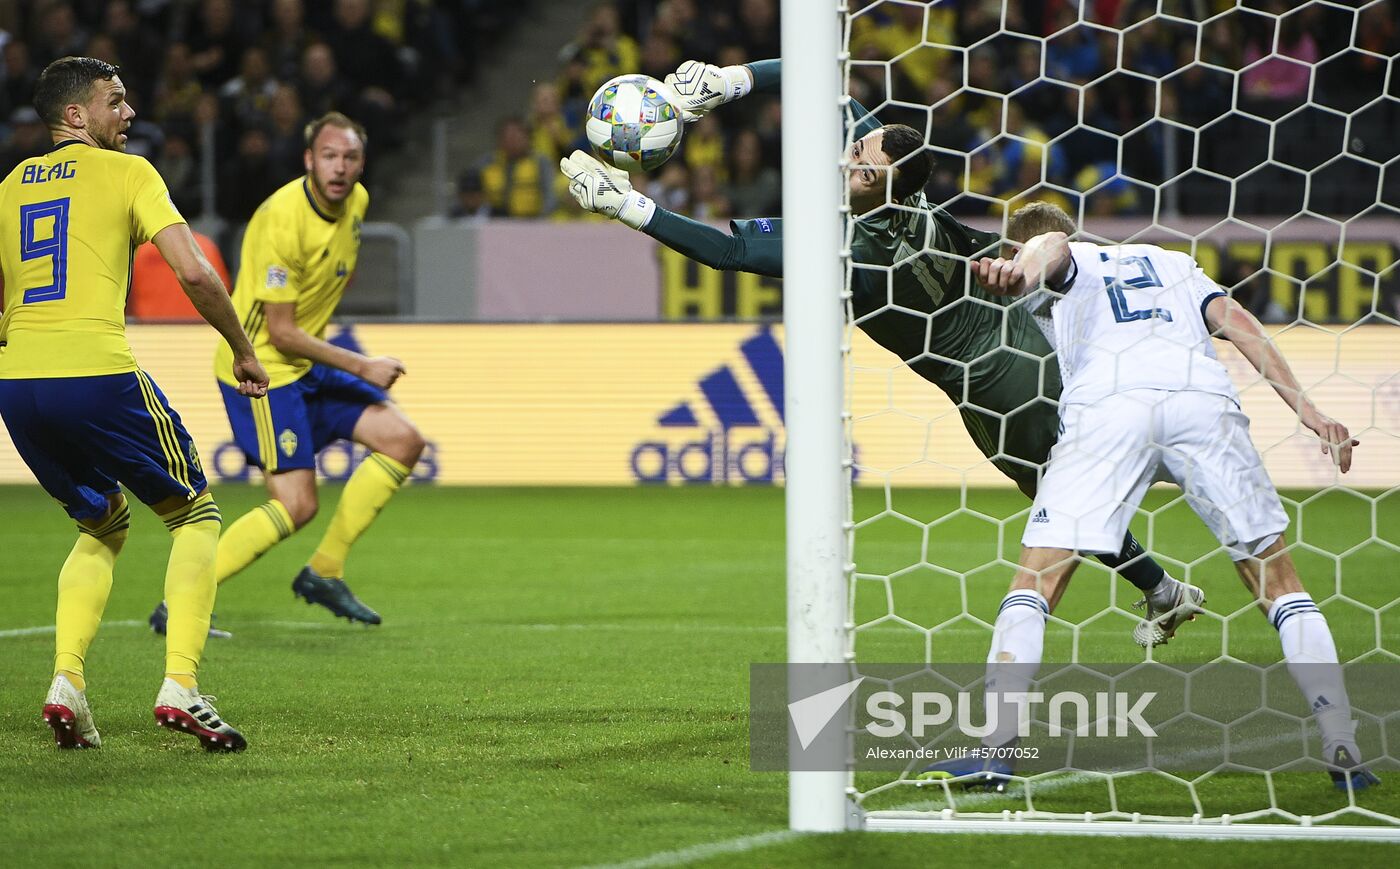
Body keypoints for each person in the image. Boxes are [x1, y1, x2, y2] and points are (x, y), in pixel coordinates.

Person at [559, 57, 1200, 635]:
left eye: (863, 167)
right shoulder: (897, 174)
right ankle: (1167, 584)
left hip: (997, 384)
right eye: (858, 147)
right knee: (1081, 487)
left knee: (1065, 506)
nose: (851, 159)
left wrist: (632, 208)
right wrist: (733, 82)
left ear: (884, 188)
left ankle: (1151, 588)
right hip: (1025, 337)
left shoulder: (855, 249)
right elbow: (822, 84)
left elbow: (728, 251)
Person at [922, 201, 1378, 792]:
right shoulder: (1173, 262)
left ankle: (994, 750)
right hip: (1203, 404)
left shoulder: (1061, 259)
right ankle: (1342, 743)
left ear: (1018, 247)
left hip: (1110, 409)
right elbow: (1237, 320)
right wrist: (1308, 410)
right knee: (1280, 584)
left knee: (1036, 582)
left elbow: (1052, 249)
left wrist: (1024, 268)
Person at [0, 57, 268, 752]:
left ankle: (67, 681)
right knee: (195, 513)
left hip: (18, 384)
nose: (130, 113)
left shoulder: (10, 187)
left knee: (102, 521)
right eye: (115, 101)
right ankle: (181, 684)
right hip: (95, 370)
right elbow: (194, 271)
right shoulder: (129, 173)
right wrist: (242, 347)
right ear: (75, 115)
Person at [148, 112, 424, 632]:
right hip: (263, 372)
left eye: (350, 157)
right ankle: (180, 603)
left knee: (403, 441)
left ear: (362, 164)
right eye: (329, 156)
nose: (339, 168)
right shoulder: (282, 220)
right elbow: (281, 333)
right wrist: (362, 366)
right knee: (297, 505)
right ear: (308, 160)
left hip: (307, 364)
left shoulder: (358, 203)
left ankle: (325, 571)